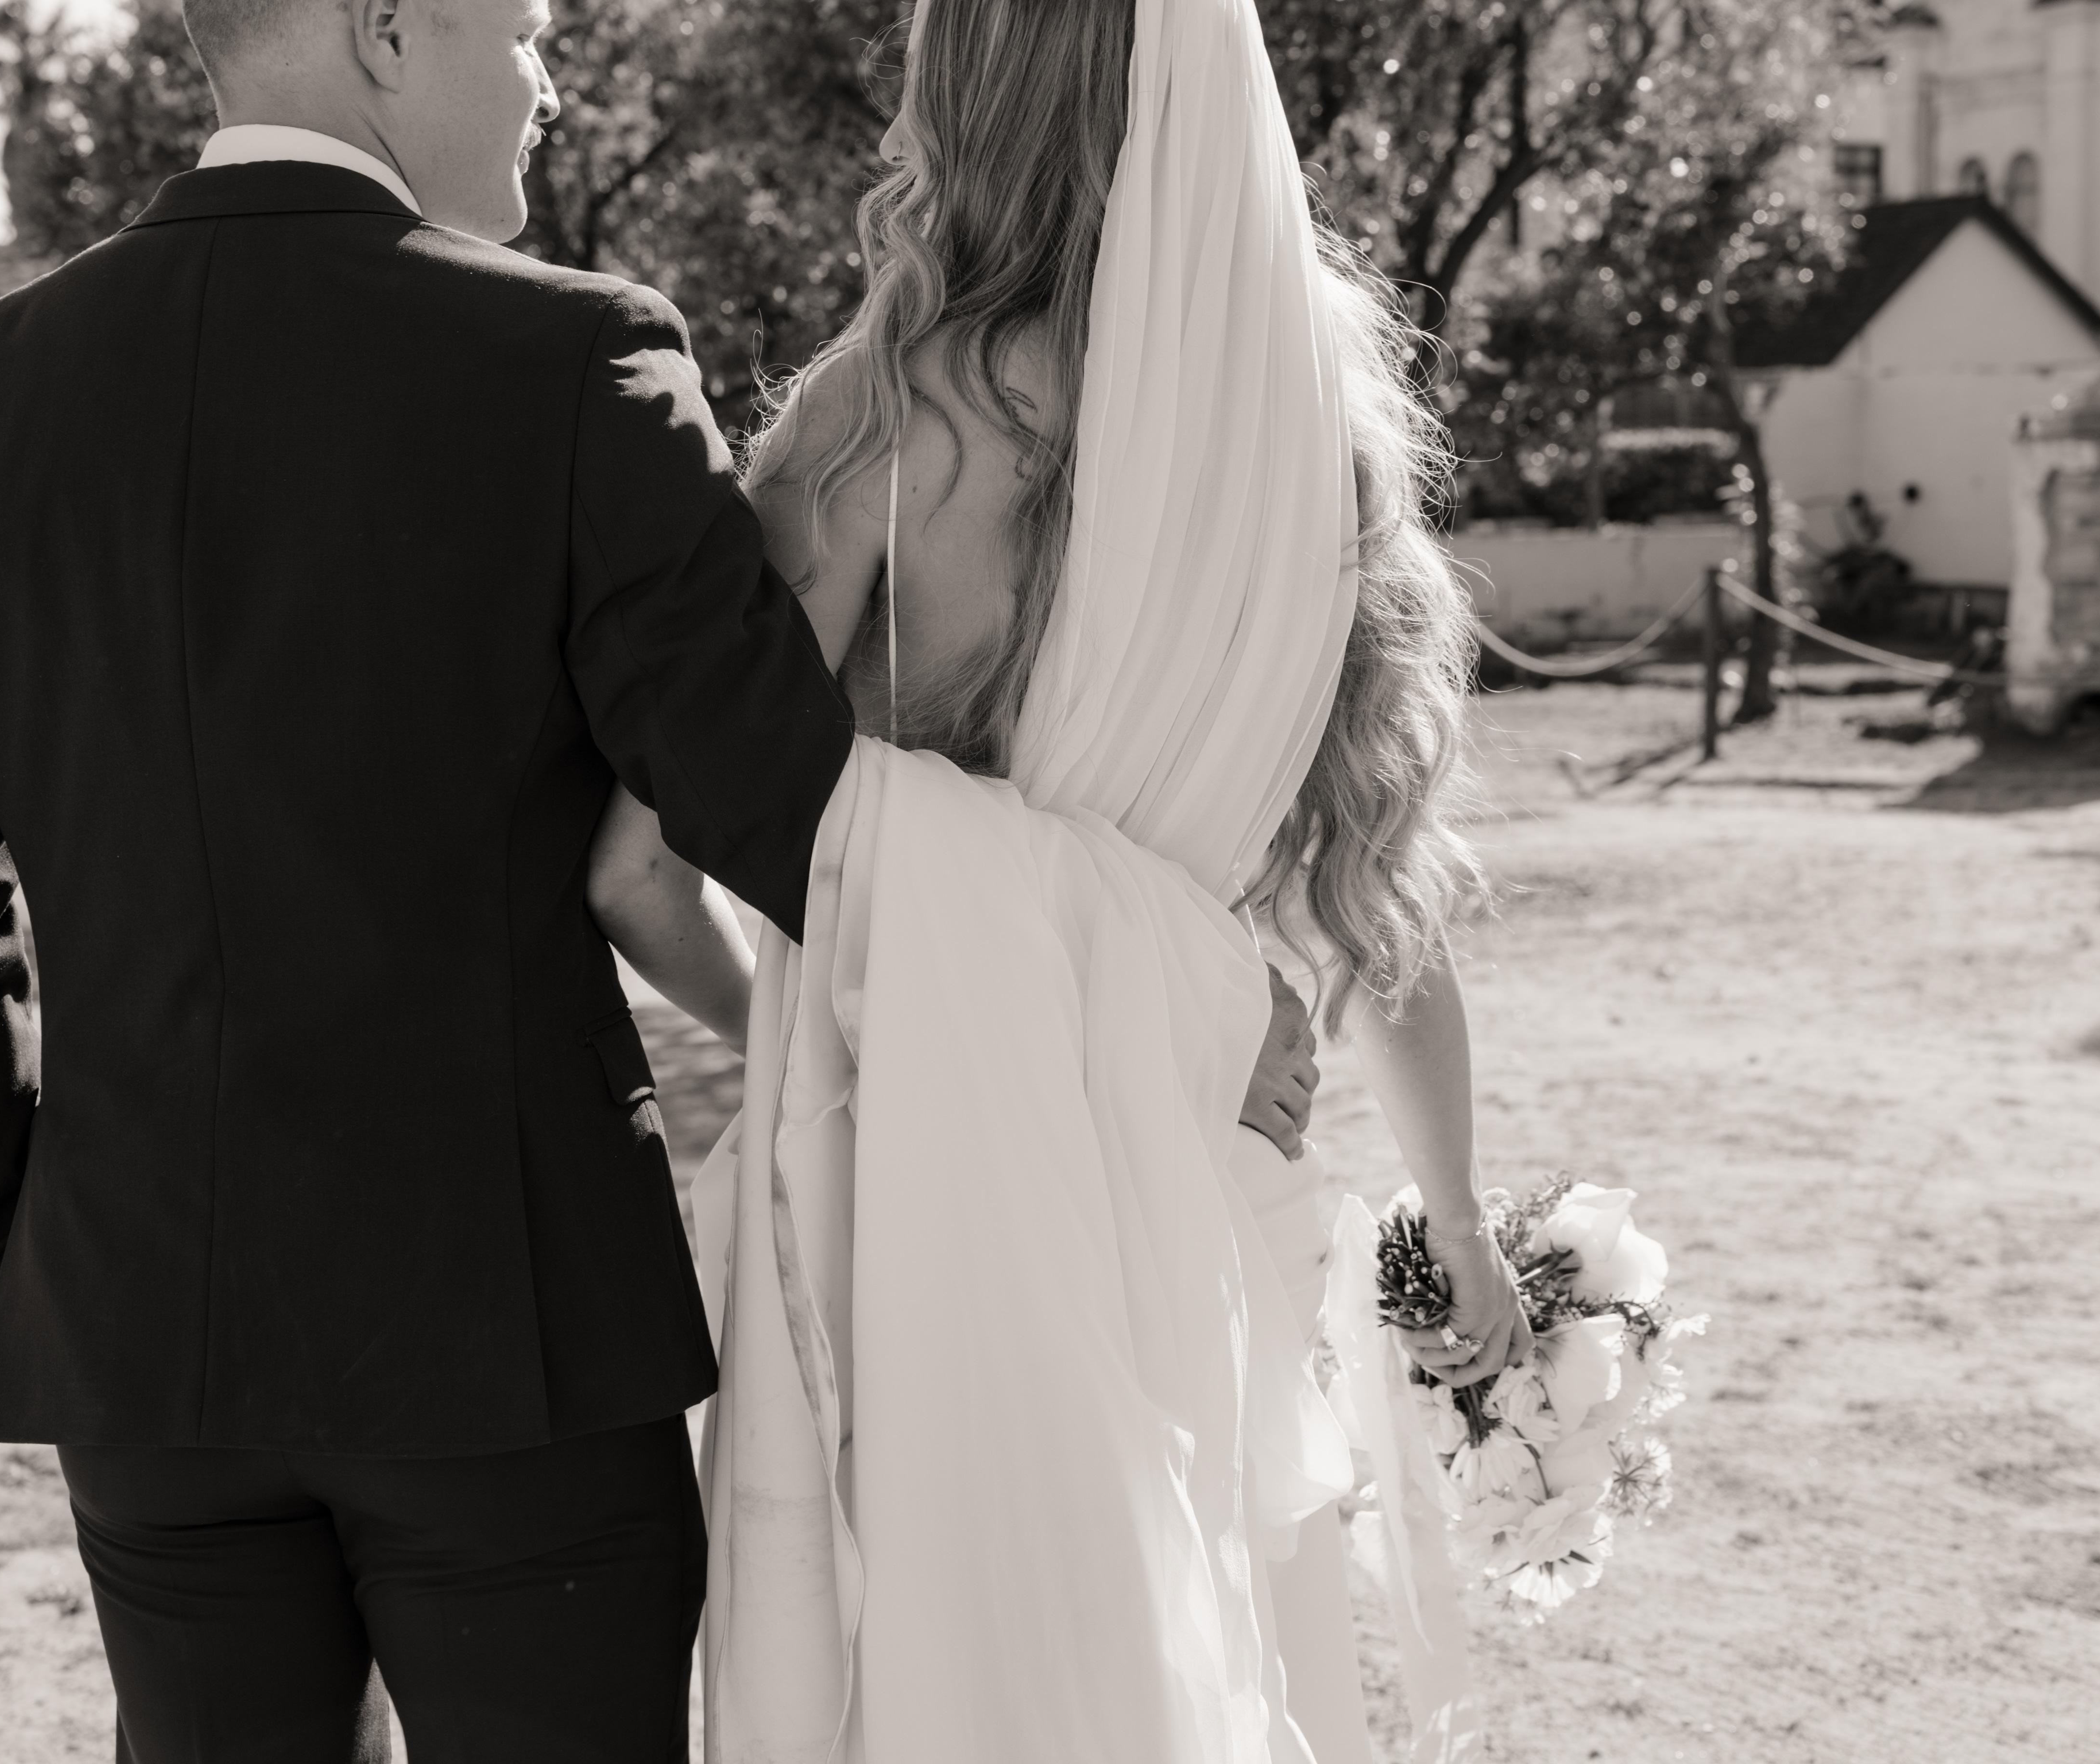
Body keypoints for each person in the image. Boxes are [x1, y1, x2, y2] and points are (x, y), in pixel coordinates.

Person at [0, 0, 1317, 1759]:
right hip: (511, 1347)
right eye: (529, 33)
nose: (548, 83)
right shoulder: (573, 357)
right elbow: (795, 813)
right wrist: (1173, 988)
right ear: (391, 31)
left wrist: (17, 1251)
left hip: (134, 1343)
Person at [586, 0, 1524, 1757]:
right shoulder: (1317, 423)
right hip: (1211, 1170)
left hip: (929, 1186)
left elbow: (641, 868)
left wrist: (850, 1022)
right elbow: (1377, 886)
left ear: (963, 89)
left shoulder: (883, 413)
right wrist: (1459, 1219)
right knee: (1196, 1647)